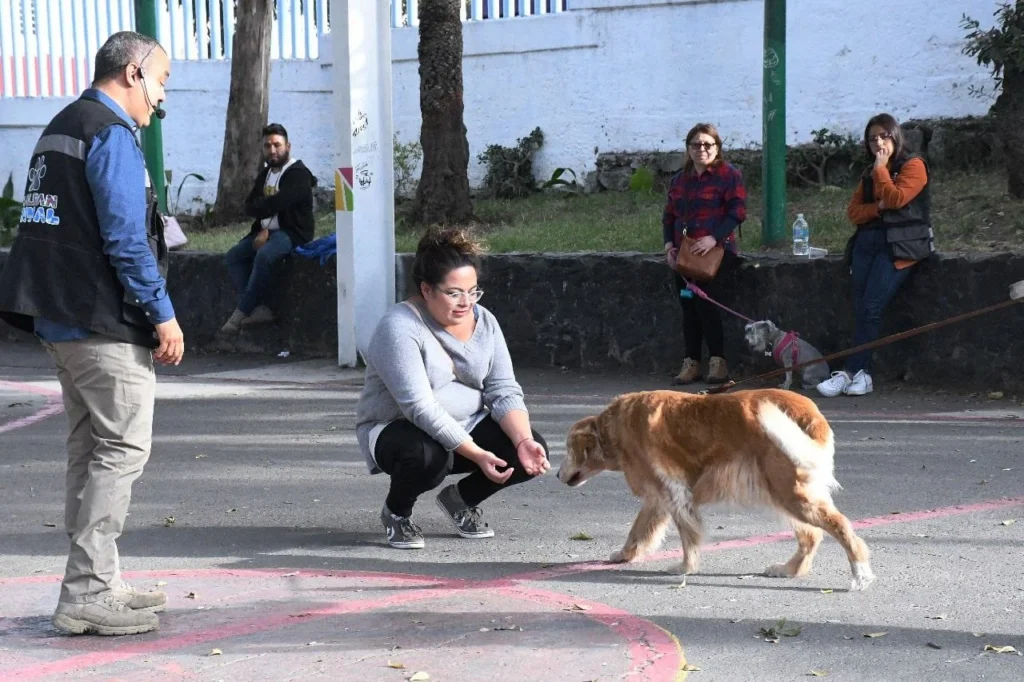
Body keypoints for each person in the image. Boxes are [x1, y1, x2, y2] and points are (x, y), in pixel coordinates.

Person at [0, 31, 183, 636]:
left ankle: (99, 581)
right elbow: (127, 238)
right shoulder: (109, 133)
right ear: (132, 72)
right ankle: (85, 595)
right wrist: (162, 313)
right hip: (102, 321)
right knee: (122, 451)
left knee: (90, 453)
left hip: (60, 317)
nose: (160, 100)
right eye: (159, 82)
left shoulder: (61, 125)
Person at [355, 227, 551, 549]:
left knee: (526, 449)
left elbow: (503, 389)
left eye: (473, 291)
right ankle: (397, 513)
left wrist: (524, 439)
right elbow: (420, 408)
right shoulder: (399, 328)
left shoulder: (484, 321)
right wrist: (477, 454)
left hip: (466, 423)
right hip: (397, 429)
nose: (466, 303)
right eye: (454, 293)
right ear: (426, 289)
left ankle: (460, 500)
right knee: (428, 457)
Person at [817, 113, 933, 397]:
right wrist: (877, 207)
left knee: (872, 306)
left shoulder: (914, 165)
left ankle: (848, 372)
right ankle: (863, 373)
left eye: (884, 136)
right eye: (872, 138)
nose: (878, 143)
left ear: (896, 136)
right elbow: (854, 212)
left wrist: (881, 170)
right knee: (861, 308)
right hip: (866, 243)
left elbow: (896, 198)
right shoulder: (870, 173)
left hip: (900, 246)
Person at [662, 123, 748, 385]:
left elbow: (738, 211)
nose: (702, 149)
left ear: (717, 147)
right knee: (688, 307)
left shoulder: (728, 175)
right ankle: (691, 362)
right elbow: (669, 216)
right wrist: (668, 246)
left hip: (717, 253)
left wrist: (714, 238)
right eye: (696, 145)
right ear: (688, 149)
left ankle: (718, 362)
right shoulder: (680, 180)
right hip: (685, 254)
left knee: (705, 305)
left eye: (708, 144)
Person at [220, 123, 317, 334]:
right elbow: (248, 206)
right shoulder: (265, 174)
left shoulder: (298, 174)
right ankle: (259, 308)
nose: (272, 150)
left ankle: (241, 312)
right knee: (233, 257)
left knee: (263, 256)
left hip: (292, 233)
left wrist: (265, 209)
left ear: (288, 146)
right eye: (267, 146)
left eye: (277, 145)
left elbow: (278, 204)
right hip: (263, 232)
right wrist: (265, 212)